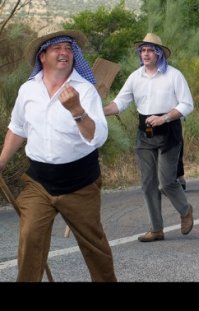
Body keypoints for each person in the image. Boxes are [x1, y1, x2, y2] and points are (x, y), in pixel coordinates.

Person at [0, 26, 117, 281]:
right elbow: (18, 128)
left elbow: (97, 137)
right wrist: (1, 162)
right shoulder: (27, 90)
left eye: (68, 48)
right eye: (57, 48)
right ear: (43, 56)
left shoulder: (84, 90)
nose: (64, 53)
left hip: (80, 183)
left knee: (94, 247)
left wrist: (76, 110)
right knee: (30, 237)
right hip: (39, 181)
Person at [103, 32, 194, 242]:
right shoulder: (135, 77)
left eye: (150, 50)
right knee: (148, 183)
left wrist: (165, 118)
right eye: (142, 50)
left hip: (169, 131)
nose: (145, 54)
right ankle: (156, 229)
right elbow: (120, 103)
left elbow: (187, 104)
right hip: (144, 134)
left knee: (166, 182)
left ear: (159, 54)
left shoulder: (174, 75)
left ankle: (185, 209)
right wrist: (98, 110)